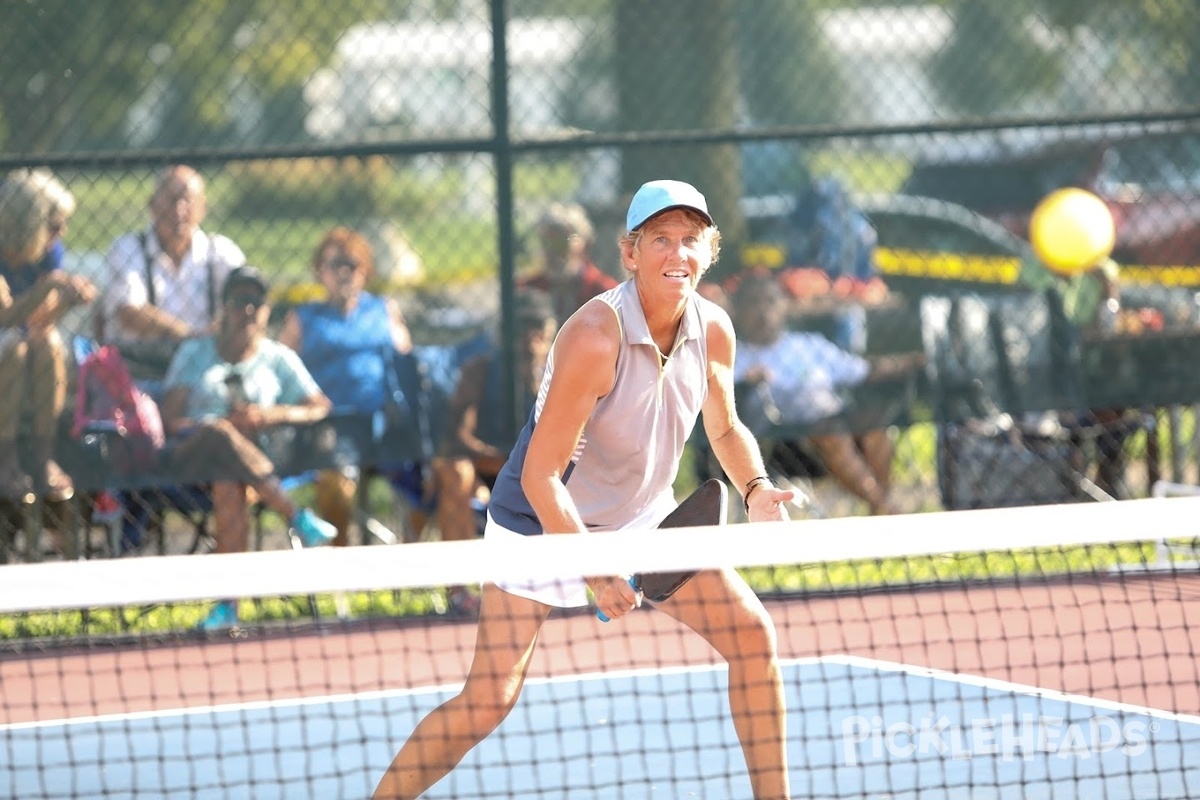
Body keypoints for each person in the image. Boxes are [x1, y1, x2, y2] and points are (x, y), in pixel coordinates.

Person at [373, 180, 795, 800]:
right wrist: (597, 574)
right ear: (629, 253)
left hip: (641, 518)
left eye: (690, 240)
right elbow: (543, 476)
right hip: (539, 525)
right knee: (489, 699)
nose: (677, 254)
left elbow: (726, 425)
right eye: (660, 240)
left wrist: (756, 487)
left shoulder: (715, 330)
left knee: (753, 638)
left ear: (709, 251)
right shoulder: (595, 336)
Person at [158, 266, 337, 630]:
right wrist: (221, 427)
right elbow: (168, 420)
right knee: (218, 431)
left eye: (257, 302)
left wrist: (269, 415)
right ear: (224, 307)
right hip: (190, 459)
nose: (249, 310)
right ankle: (295, 515)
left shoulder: (278, 358)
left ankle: (228, 607)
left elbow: (319, 407)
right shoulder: (195, 352)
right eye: (241, 301)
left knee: (229, 484)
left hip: (248, 471)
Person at [732, 273, 920, 516]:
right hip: (786, 437)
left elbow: (860, 370)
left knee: (874, 423)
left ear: (784, 306)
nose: (762, 311)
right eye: (753, 302)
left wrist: (908, 363)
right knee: (831, 434)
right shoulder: (736, 354)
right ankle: (887, 510)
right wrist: (747, 381)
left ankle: (880, 506)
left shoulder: (808, 344)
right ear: (738, 310)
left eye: (770, 301)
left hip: (836, 415)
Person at [276, 227, 413, 546]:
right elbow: (280, 373)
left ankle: (415, 564)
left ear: (365, 270)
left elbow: (407, 363)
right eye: (333, 264)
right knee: (336, 486)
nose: (343, 273)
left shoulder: (383, 309)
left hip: (385, 423)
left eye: (351, 264)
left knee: (435, 470)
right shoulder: (304, 317)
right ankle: (342, 571)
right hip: (332, 427)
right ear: (319, 272)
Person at [429, 288, 557, 615]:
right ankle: (460, 592)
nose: (529, 340)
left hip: (545, 478)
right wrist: (502, 465)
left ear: (548, 334)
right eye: (521, 329)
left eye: (536, 330)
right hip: (485, 472)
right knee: (454, 471)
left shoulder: (560, 375)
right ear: (504, 334)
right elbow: (457, 437)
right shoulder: (479, 370)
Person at [0, 168, 97, 501]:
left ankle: (43, 458)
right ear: (26, 222)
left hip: (22, 345)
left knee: (50, 344)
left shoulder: (48, 252)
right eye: (54, 225)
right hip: (6, 345)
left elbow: (40, 321)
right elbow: (6, 316)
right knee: (13, 348)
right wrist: (52, 285)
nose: (62, 232)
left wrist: (68, 301)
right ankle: (6, 460)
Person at [101, 164, 245, 375]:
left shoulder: (221, 251)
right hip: (140, 367)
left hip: (206, 368)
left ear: (203, 207)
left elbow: (246, 298)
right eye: (170, 200)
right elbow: (129, 312)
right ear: (152, 206)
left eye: (187, 200)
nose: (179, 210)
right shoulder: (127, 247)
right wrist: (191, 336)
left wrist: (221, 328)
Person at [518, 201, 617, 323]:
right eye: (546, 241)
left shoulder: (603, 291)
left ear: (585, 243)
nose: (552, 250)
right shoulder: (528, 290)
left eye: (562, 242)